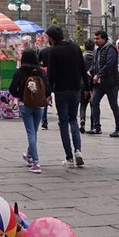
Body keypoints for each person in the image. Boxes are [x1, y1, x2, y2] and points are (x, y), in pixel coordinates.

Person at [43, 26, 86, 168]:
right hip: (76, 89)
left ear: (51, 37)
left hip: (61, 90)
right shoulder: (75, 47)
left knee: (63, 122)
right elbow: (83, 69)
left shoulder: (54, 51)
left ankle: (68, 157)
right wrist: (88, 88)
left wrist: (48, 93)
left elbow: (51, 75)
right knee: (73, 120)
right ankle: (78, 151)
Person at [9, 49, 50, 174]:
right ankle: (29, 154)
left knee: (31, 132)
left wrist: (20, 95)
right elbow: (48, 88)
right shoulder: (41, 72)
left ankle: (36, 162)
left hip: (25, 104)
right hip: (40, 106)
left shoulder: (20, 71)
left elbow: (12, 89)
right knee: (34, 132)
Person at [90, 31, 119, 137]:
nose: (95, 40)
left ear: (104, 39)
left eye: (98, 38)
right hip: (99, 84)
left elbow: (109, 64)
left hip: (111, 82)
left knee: (113, 105)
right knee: (94, 102)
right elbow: (95, 64)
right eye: (95, 38)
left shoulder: (110, 49)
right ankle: (96, 127)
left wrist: (98, 74)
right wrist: (90, 71)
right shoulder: (97, 50)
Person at [80, 40, 94, 132]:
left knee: (82, 104)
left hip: (82, 84)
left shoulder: (80, 58)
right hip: (94, 84)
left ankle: (82, 119)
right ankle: (93, 125)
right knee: (94, 105)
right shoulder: (96, 57)